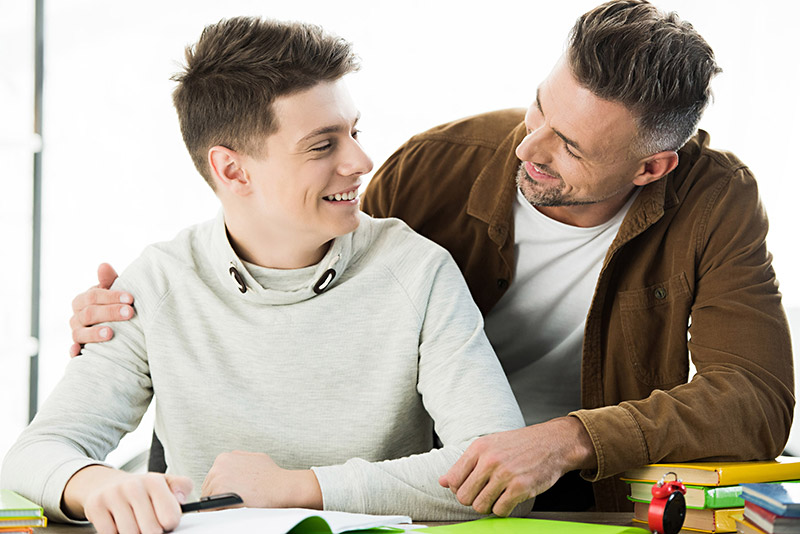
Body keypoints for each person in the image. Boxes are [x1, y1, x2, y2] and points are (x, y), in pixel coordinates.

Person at [67, 0, 795, 518]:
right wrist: (148, 307)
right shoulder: (438, 164)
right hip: (426, 481)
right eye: (537, 108)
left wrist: (568, 439)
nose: (528, 147)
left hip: (588, 490)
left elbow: (755, 399)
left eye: (569, 147)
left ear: (650, 168)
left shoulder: (715, 200)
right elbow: (296, 235)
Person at [1, 16, 530, 534]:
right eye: (323, 145)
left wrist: (300, 488)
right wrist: (95, 485)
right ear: (233, 170)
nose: (361, 160)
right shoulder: (159, 282)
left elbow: (502, 473)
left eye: (354, 131)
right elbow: (36, 453)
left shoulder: (417, 270)